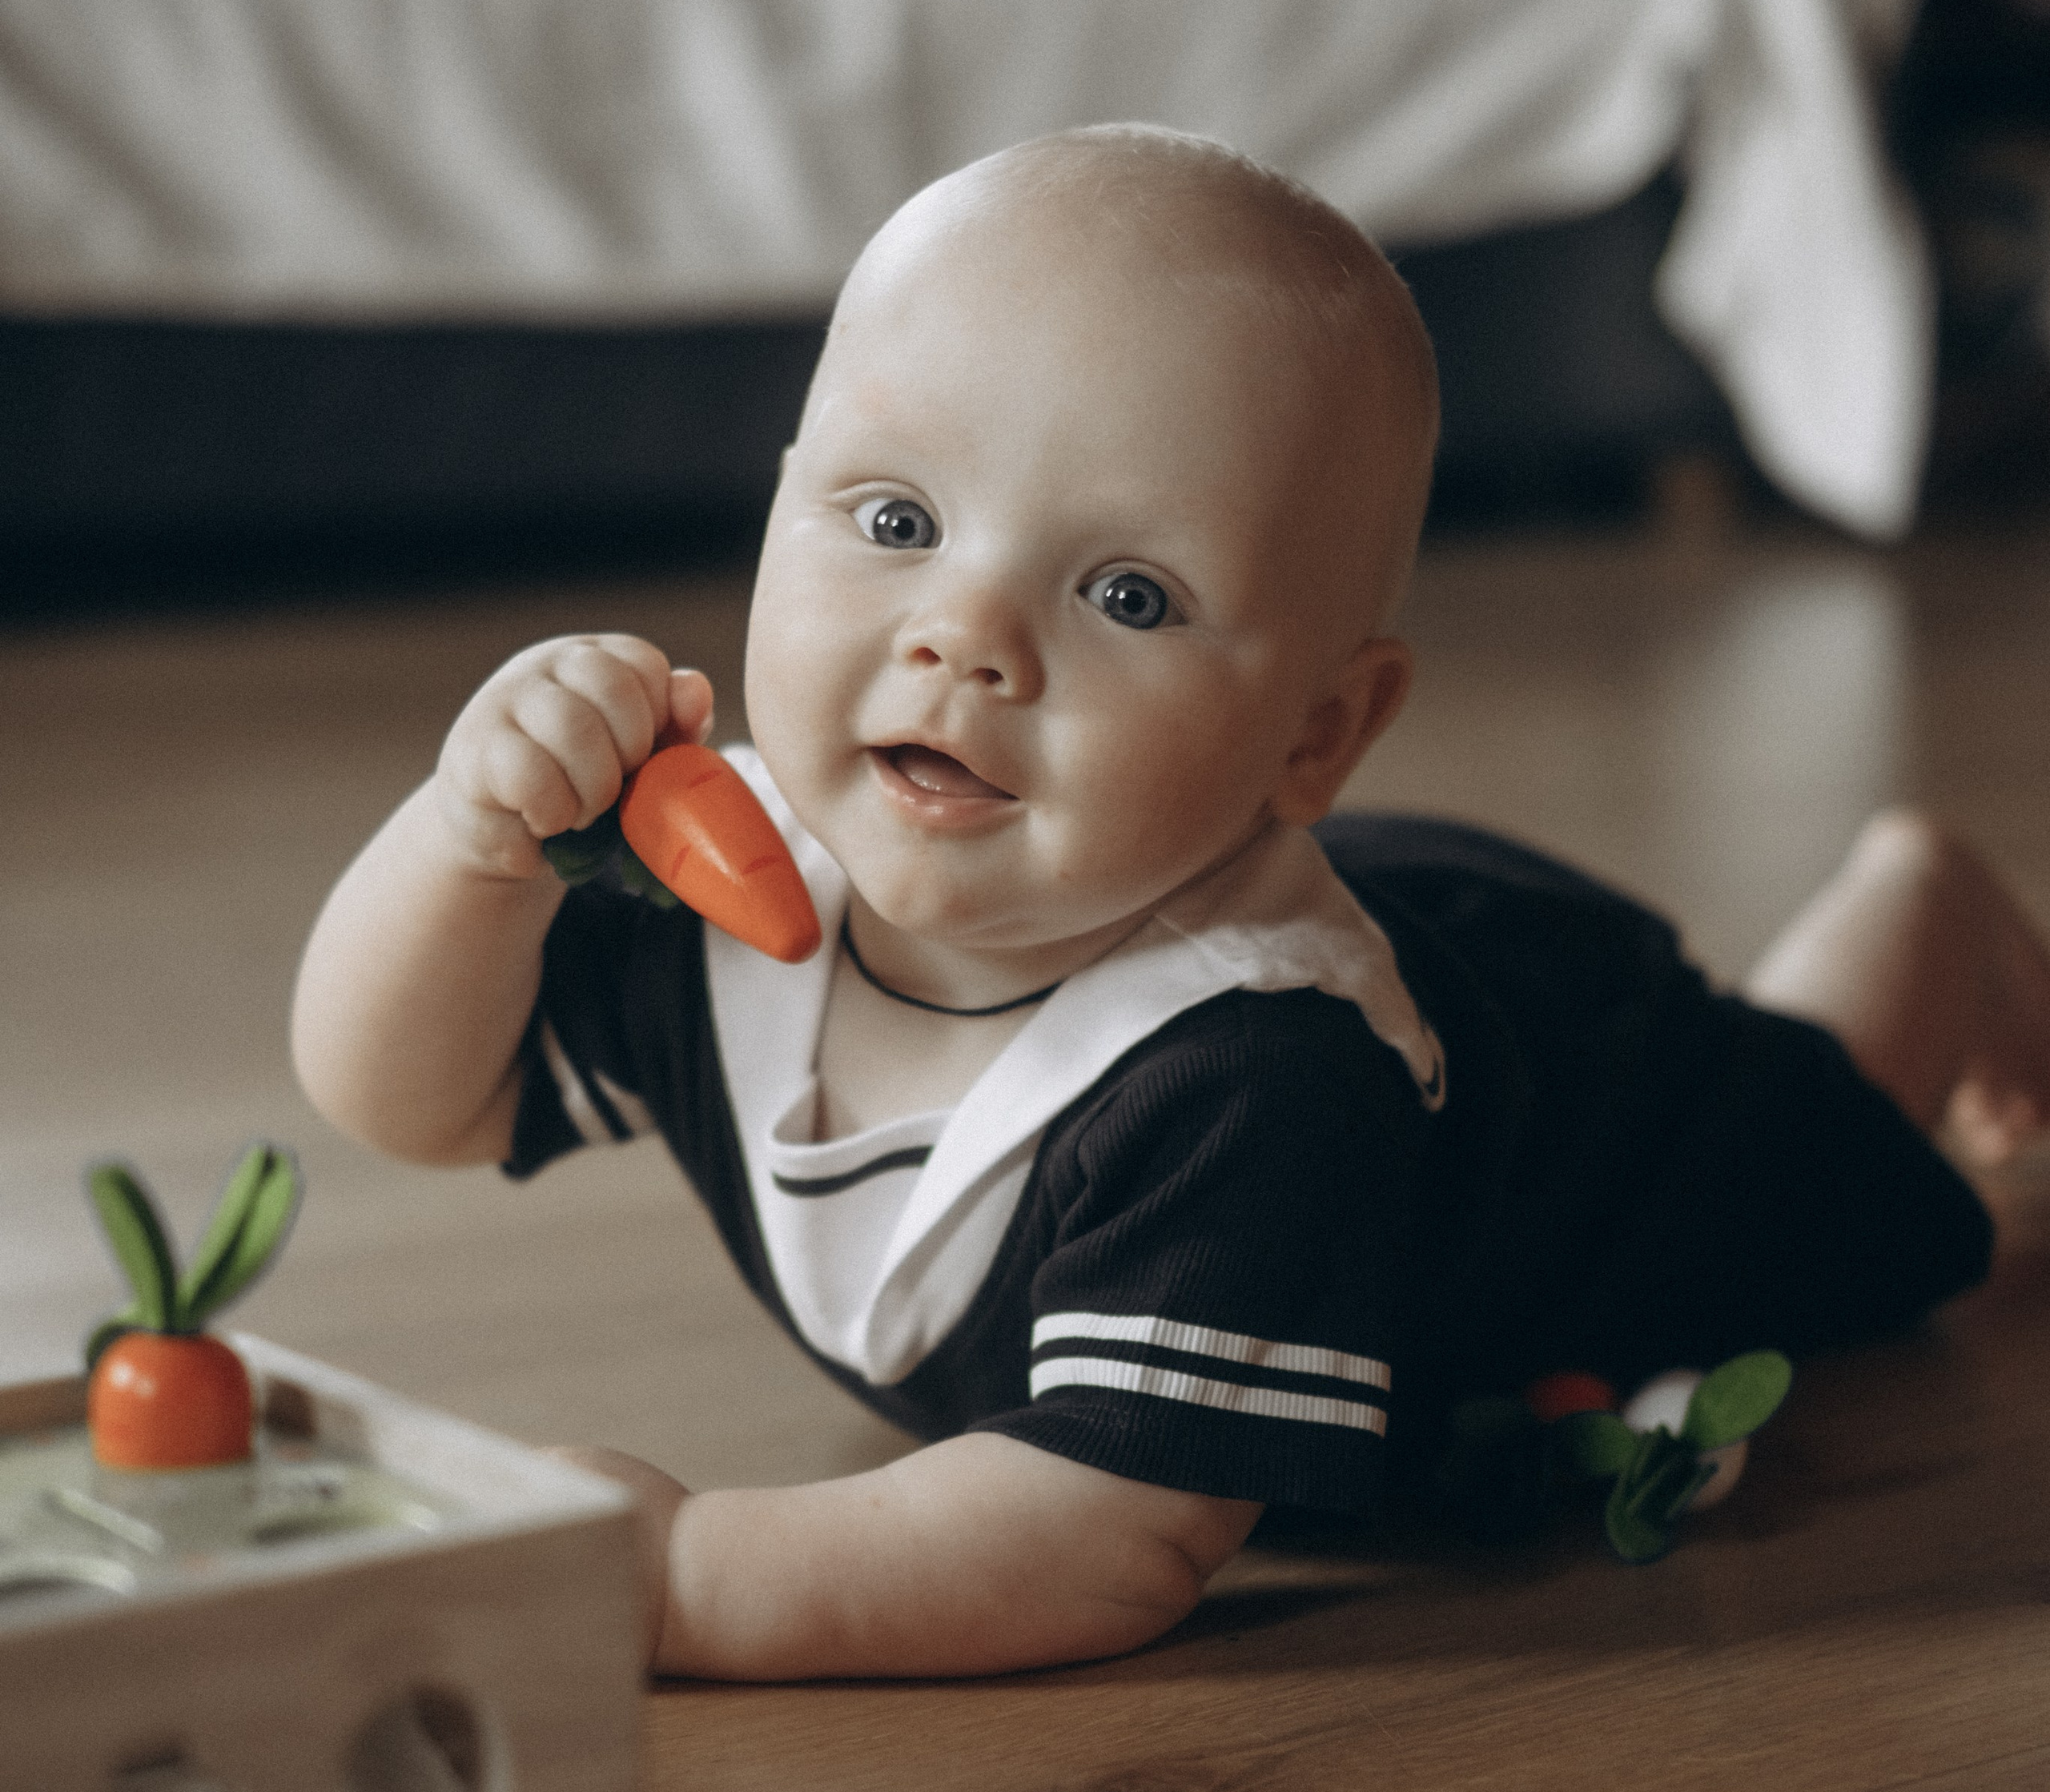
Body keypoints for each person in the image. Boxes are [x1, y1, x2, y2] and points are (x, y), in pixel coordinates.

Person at [291, 127, 2050, 1680]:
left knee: (1814, 1119)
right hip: (1297, 883)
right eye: (892, 516)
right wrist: (471, 846)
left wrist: (689, 1576)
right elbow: (416, 1096)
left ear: (1316, 728)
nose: (964, 633)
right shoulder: (723, 879)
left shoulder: (1256, 1080)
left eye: (1125, 592)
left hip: (1592, 1105)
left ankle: (1925, 907)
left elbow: (1102, 1531)